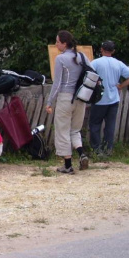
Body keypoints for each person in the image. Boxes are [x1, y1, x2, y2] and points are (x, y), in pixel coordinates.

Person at [45, 30, 90, 174]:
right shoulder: (82, 56)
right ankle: (82, 153)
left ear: (64, 44)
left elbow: (57, 83)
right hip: (81, 97)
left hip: (66, 97)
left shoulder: (61, 59)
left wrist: (50, 101)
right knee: (75, 129)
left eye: (57, 41)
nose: (56, 44)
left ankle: (68, 165)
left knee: (62, 130)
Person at [89, 41, 129, 156]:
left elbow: (88, 76)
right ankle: (108, 150)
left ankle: (96, 150)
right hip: (114, 99)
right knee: (110, 126)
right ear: (113, 51)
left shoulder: (95, 63)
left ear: (101, 49)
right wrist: (121, 86)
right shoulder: (118, 63)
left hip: (99, 99)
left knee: (95, 125)